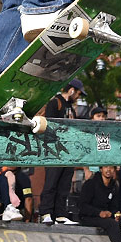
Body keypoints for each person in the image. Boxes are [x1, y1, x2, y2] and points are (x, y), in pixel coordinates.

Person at [38, 78, 83, 224]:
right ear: (71, 90)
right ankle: (45, 212)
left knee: (64, 185)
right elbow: (50, 124)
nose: (78, 97)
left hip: (67, 152)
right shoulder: (55, 102)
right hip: (54, 149)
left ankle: (60, 214)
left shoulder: (71, 108)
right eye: (78, 93)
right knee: (51, 182)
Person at [77, 165, 121, 242]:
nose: (108, 170)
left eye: (111, 168)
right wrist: (99, 213)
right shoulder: (91, 184)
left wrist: (115, 214)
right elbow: (82, 206)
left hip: (106, 216)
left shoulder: (114, 186)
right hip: (88, 217)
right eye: (106, 167)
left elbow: (114, 207)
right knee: (112, 224)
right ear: (101, 169)